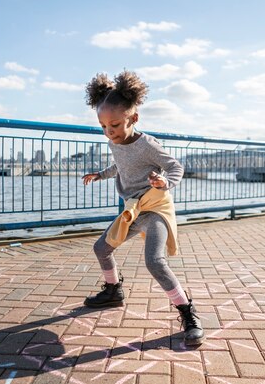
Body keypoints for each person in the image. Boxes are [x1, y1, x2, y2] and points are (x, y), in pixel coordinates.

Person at [81, 70, 204, 346]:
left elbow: (175, 166)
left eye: (114, 125)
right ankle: (113, 291)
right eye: (103, 126)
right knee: (101, 248)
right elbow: (122, 166)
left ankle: (188, 313)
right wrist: (100, 175)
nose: (109, 132)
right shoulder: (115, 142)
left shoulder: (147, 144)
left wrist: (165, 182)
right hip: (133, 210)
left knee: (154, 261)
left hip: (155, 208)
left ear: (133, 118)